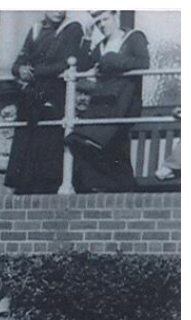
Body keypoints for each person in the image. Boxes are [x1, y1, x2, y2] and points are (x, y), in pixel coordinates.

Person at [69, 11, 150, 194]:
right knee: (93, 144)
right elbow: (82, 68)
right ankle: (117, 190)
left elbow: (143, 64)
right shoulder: (101, 45)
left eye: (105, 19)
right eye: (98, 23)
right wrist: (88, 38)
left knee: (106, 143)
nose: (102, 25)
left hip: (124, 105)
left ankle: (117, 189)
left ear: (116, 17)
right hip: (103, 105)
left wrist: (109, 60)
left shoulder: (133, 37)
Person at [5, 12, 86, 195]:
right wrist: (21, 69)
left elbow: (67, 62)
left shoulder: (73, 29)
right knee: (25, 158)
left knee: (48, 162)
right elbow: (18, 62)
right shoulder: (36, 29)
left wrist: (34, 72)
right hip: (33, 100)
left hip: (56, 99)